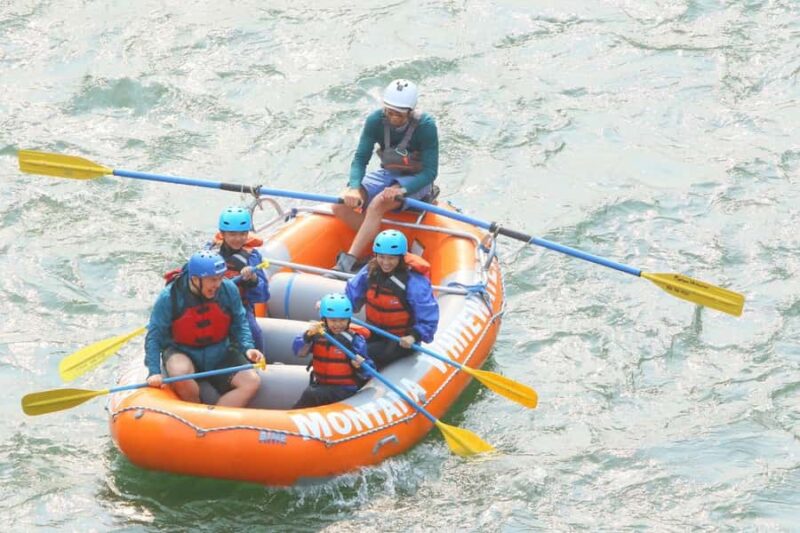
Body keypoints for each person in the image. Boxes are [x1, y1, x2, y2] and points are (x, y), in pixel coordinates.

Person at [331, 78, 439, 273]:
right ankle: (387, 250)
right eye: (389, 111)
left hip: (416, 178)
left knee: (378, 204)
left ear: (410, 111)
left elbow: (430, 172)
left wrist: (402, 189)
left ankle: (347, 262)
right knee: (339, 205)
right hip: (388, 173)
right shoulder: (375, 121)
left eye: (399, 114)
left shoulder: (426, 126)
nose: (393, 117)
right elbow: (360, 158)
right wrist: (354, 187)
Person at [144, 250, 264, 408]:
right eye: (213, 280)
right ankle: (196, 409)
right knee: (179, 373)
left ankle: (214, 418)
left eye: (220, 278)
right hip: (182, 351)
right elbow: (154, 336)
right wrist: (153, 371)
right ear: (195, 279)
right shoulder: (169, 297)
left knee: (252, 382)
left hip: (220, 350)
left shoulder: (228, 289)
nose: (218, 285)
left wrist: (248, 347)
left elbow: (240, 323)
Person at [345, 229, 439, 369]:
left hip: (400, 340)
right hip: (372, 330)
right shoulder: (370, 270)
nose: (386, 262)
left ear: (401, 257)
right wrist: (336, 308)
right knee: (345, 346)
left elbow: (428, 316)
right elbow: (352, 294)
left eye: (391, 258)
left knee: (362, 353)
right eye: (382, 257)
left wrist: (413, 336)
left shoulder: (413, 281)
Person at [292, 293, 373, 409]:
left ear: (348, 320)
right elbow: (299, 352)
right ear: (324, 320)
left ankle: (295, 415)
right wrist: (307, 336)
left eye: (342, 320)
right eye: (333, 320)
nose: (338, 324)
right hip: (320, 385)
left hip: (344, 390)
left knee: (311, 394)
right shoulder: (316, 334)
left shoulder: (354, 340)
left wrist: (360, 366)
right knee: (313, 393)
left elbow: (369, 372)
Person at [207, 206, 270, 351]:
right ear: (222, 234)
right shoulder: (210, 253)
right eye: (232, 234)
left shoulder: (253, 258)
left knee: (254, 333)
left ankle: (256, 364)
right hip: (210, 304)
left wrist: (252, 280)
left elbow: (263, 295)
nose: (238, 239)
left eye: (243, 234)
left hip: (240, 306)